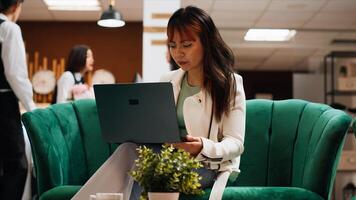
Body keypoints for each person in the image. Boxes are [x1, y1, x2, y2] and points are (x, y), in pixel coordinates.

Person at [72, 6, 245, 200]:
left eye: (187, 45)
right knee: (128, 150)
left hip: (206, 165)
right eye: (172, 45)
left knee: (150, 173)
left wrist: (202, 147)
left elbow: (236, 143)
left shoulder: (230, 84)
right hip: (164, 157)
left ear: (207, 43)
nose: (178, 52)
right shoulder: (168, 80)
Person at [0, 0, 36, 199]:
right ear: (15, 6)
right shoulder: (9, 29)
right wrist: (32, 107)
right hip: (3, 104)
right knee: (17, 165)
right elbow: (16, 74)